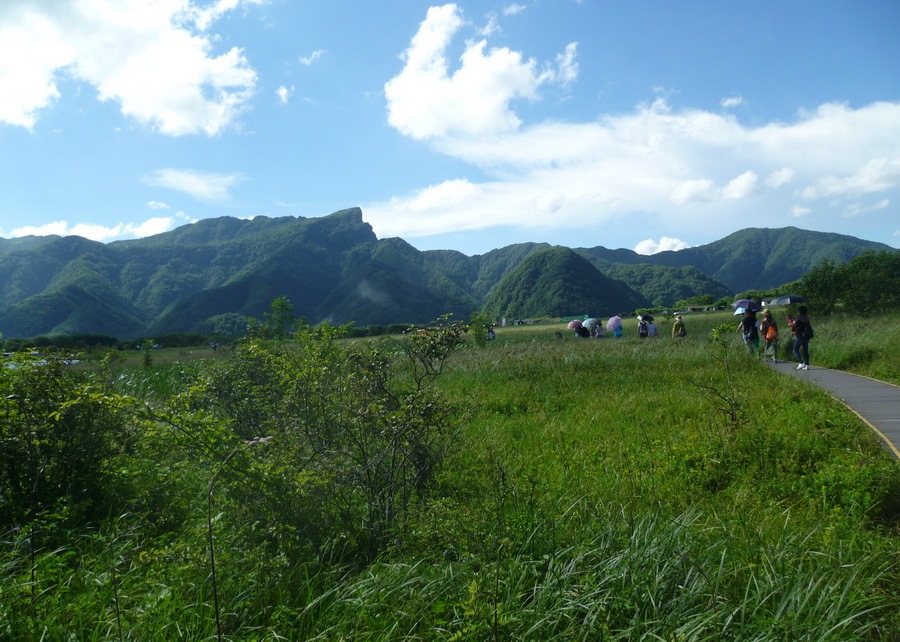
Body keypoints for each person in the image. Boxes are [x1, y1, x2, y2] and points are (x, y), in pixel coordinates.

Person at [791, 306, 813, 370]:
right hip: (807, 335)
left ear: (800, 311)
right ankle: (807, 364)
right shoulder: (807, 318)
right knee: (805, 350)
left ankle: (801, 362)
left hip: (800, 336)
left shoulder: (799, 319)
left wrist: (791, 323)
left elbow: (795, 326)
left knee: (795, 349)